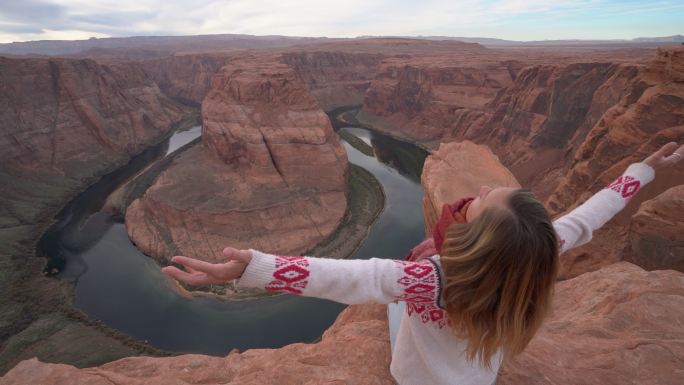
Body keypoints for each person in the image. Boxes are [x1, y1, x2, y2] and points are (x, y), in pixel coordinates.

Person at [162, 142, 683, 385]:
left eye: (482, 199)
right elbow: (588, 217)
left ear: (474, 237)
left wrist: (250, 267)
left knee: (385, 302)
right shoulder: (537, 254)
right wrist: (641, 171)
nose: (477, 189)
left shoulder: (429, 280)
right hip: (478, 375)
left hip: (415, 376)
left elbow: (352, 277)